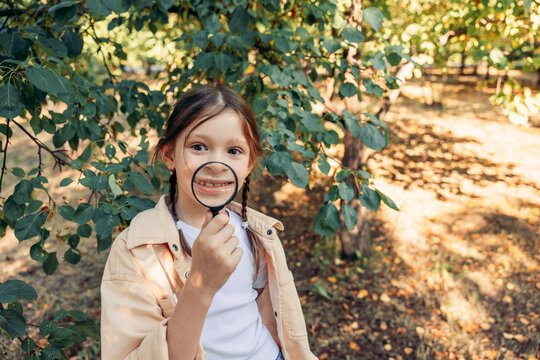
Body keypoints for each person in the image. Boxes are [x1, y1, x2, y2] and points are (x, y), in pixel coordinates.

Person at [100, 85, 318, 360]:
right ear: (169, 155)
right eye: (198, 147)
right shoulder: (135, 250)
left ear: (250, 163)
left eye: (234, 151)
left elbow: (262, 305)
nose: (216, 163)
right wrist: (201, 285)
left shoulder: (259, 233)